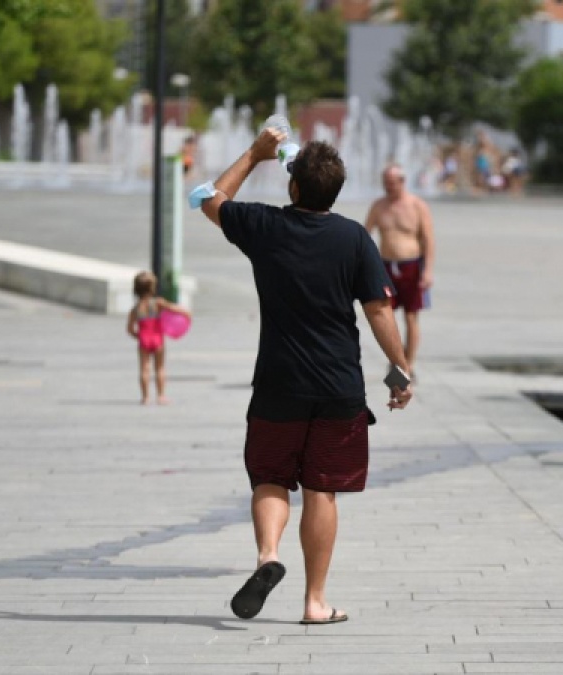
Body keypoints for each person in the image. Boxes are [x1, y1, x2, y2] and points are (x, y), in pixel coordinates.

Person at [197, 130, 412, 625]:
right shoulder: (354, 237)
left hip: (278, 382)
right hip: (339, 387)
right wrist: (399, 373)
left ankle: (268, 556)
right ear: (335, 192)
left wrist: (254, 153)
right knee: (322, 489)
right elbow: (379, 310)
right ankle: (315, 602)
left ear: (292, 187)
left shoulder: (264, 225)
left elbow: (211, 199)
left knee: (270, 477)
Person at [364, 164, 436, 376]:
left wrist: (428, 270)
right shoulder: (378, 206)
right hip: (385, 267)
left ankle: (409, 364)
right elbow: (365, 236)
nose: (388, 188)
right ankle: (397, 360)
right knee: (386, 316)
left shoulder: (417, 206)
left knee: (411, 317)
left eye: (392, 183)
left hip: (412, 265)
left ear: (402, 182)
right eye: (385, 183)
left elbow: (428, 240)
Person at [125, 271, 191, 405]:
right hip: (158, 338)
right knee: (160, 367)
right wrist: (187, 314)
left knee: (144, 368)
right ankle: (161, 396)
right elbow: (175, 309)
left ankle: (145, 397)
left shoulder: (135, 309)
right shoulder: (158, 303)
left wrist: (139, 336)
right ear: (153, 288)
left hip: (144, 339)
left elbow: (130, 329)